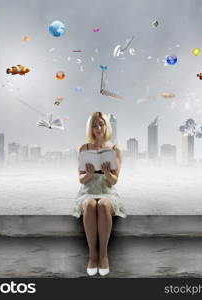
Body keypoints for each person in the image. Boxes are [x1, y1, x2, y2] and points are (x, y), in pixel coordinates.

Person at [73, 112, 126, 276]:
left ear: (106, 126)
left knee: (103, 204)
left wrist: (106, 172)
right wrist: (89, 173)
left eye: (101, 124)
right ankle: (92, 256)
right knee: (89, 204)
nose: (98, 128)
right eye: (94, 125)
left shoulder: (115, 149)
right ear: (91, 128)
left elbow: (114, 180)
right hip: (88, 191)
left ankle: (103, 255)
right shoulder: (84, 148)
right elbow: (81, 179)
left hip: (107, 191)